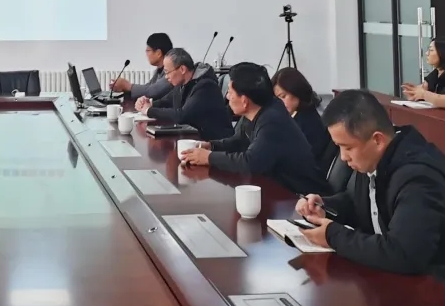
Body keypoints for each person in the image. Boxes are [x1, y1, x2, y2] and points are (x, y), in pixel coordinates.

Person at [296, 90, 445, 304]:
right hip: (403, 284)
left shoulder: (417, 179)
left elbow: (403, 254)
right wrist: (325, 207)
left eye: (348, 147)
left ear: (377, 140)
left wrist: (332, 235)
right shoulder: (374, 161)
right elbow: (359, 204)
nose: (343, 157)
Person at [181, 62, 330, 195]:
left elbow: (251, 162)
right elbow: (239, 141)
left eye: (230, 92)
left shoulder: (272, 120)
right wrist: (211, 146)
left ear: (244, 101)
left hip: (301, 196)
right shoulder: (259, 109)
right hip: (277, 188)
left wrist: (208, 157)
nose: (227, 97)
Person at [135, 48, 233, 140]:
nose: (166, 77)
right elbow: (168, 101)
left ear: (182, 69)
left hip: (216, 143)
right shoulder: (183, 83)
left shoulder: (205, 86)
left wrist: (149, 110)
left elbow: (182, 115)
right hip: (194, 137)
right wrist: (148, 103)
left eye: (167, 72)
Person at [271, 67, 333, 166]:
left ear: (297, 91)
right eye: (276, 98)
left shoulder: (310, 123)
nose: (279, 102)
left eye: (283, 96)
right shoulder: (297, 117)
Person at [110, 33, 174, 100]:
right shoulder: (159, 70)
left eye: (148, 50)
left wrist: (128, 86)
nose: (146, 54)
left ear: (158, 53)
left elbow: (153, 91)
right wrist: (125, 88)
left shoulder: (171, 71)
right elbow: (148, 87)